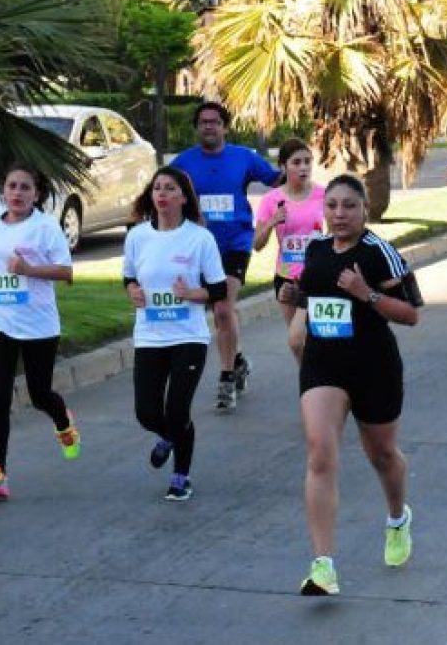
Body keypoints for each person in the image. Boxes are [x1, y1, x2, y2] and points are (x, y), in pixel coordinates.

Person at [280, 175, 424, 596]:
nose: (339, 214)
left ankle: (398, 517)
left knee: (382, 455)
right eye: (333, 206)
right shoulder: (317, 249)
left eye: (349, 207)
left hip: (373, 366)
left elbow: (412, 314)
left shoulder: (380, 254)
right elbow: (313, 296)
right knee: (319, 452)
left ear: (364, 210)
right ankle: (323, 566)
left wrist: (367, 294)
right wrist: (295, 294)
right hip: (324, 364)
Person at [0, 164, 80, 501]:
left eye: (25, 187)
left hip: (38, 324)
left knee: (39, 393)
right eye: (12, 186)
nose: (17, 193)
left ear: (37, 194)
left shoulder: (45, 228)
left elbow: (66, 271)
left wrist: (30, 269)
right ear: (3, 190)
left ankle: (62, 419)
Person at [123, 167, 228, 501]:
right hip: (151, 336)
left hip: (188, 337)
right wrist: (133, 291)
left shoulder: (200, 238)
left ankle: (181, 475)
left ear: (183, 196)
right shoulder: (138, 236)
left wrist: (191, 294)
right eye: (157, 188)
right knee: (146, 412)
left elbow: (218, 289)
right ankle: (169, 437)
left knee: (177, 411)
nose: (162, 194)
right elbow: (128, 277)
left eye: (170, 188)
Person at [171, 101, 282, 413]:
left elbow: (277, 182)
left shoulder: (243, 157)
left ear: (225, 127)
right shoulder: (183, 163)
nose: (209, 126)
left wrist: (299, 187)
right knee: (219, 313)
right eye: (203, 122)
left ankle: (225, 379)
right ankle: (238, 360)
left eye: (215, 121)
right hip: (200, 247)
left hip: (236, 241)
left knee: (222, 310)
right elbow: (161, 194)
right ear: (197, 127)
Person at [254, 138, 325, 363]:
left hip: (317, 276)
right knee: (298, 342)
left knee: (314, 338)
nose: (303, 167)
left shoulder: (324, 194)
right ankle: (311, 384)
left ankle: (320, 384)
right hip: (286, 278)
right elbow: (257, 244)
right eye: (296, 162)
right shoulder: (271, 200)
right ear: (283, 166)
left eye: (307, 161)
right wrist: (272, 222)